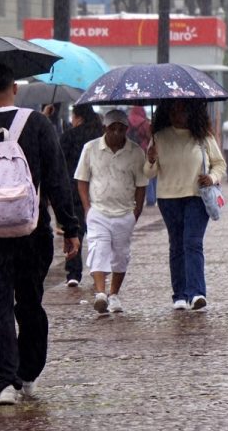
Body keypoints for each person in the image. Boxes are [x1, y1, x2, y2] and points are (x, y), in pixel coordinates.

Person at [0, 64, 80, 406]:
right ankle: (28, 374)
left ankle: (4, 382)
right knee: (29, 302)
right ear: (14, 87)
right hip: (32, 230)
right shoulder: (37, 124)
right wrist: (70, 228)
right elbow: (57, 178)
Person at [144, 100, 226, 311]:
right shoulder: (159, 137)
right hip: (168, 198)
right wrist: (151, 159)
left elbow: (219, 164)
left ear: (190, 112)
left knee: (192, 242)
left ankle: (197, 293)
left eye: (181, 111)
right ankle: (179, 294)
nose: (177, 115)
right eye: (173, 111)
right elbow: (149, 173)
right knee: (177, 244)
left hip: (197, 197)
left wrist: (212, 177)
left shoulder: (203, 136)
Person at [74, 109, 147, 314]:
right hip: (98, 210)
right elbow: (82, 180)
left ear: (126, 129)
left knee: (120, 255)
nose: (116, 133)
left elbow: (141, 185)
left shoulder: (136, 152)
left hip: (125, 212)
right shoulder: (90, 148)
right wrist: (87, 208)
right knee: (98, 248)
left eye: (121, 129)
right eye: (112, 128)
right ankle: (100, 293)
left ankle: (114, 294)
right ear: (104, 128)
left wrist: (136, 212)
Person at [59, 104, 104, 287]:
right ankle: (98, 270)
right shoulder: (100, 137)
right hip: (98, 188)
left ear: (78, 117)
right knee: (98, 233)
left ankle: (73, 274)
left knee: (74, 231)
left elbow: (59, 162)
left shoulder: (69, 136)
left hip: (73, 189)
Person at [128, 106, 157, 205]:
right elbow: (149, 136)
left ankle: (133, 199)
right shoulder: (144, 122)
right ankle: (151, 198)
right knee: (148, 174)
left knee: (133, 175)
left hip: (131, 150)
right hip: (144, 150)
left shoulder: (128, 121)